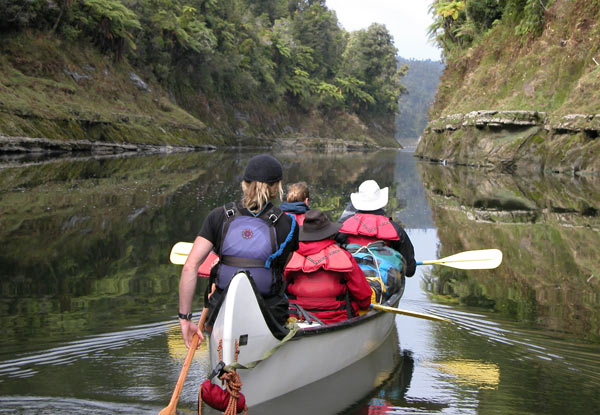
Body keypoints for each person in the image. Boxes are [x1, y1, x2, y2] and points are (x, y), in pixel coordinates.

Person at [178, 154, 299, 348]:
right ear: (276, 187)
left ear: (244, 184)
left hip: (222, 311)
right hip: (270, 312)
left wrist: (184, 318)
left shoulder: (218, 216)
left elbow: (190, 267)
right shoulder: (287, 223)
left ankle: (222, 353)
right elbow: (280, 266)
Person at [284, 209, 372, 324]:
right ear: (329, 233)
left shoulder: (289, 256)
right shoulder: (344, 256)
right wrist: (364, 306)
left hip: (298, 318)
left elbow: (279, 287)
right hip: (338, 318)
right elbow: (363, 296)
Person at [337, 180, 417, 277]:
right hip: (383, 279)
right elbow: (410, 270)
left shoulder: (343, 225)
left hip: (351, 275)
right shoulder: (396, 229)